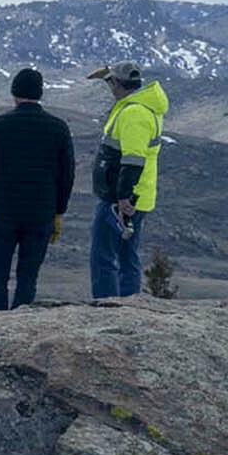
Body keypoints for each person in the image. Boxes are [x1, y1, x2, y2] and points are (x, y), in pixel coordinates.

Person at [0, 67, 75, 310]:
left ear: (14, 93)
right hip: (41, 212)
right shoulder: (58, 127)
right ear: (39, 94)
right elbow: (66, 175)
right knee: (28, 278)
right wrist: (59, 212)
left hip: (3, 211)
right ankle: (21, 321)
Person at [85, 60, 169, 298]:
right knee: (126, 253)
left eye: (111, 83)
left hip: (122, 198)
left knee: (103, 256)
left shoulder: (134, 113)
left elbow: (133, 159)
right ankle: (128, 304)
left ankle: (108, 305)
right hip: (134, 196)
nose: (110, 88)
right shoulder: (141, 106)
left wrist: (123, 196)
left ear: (118, 84)